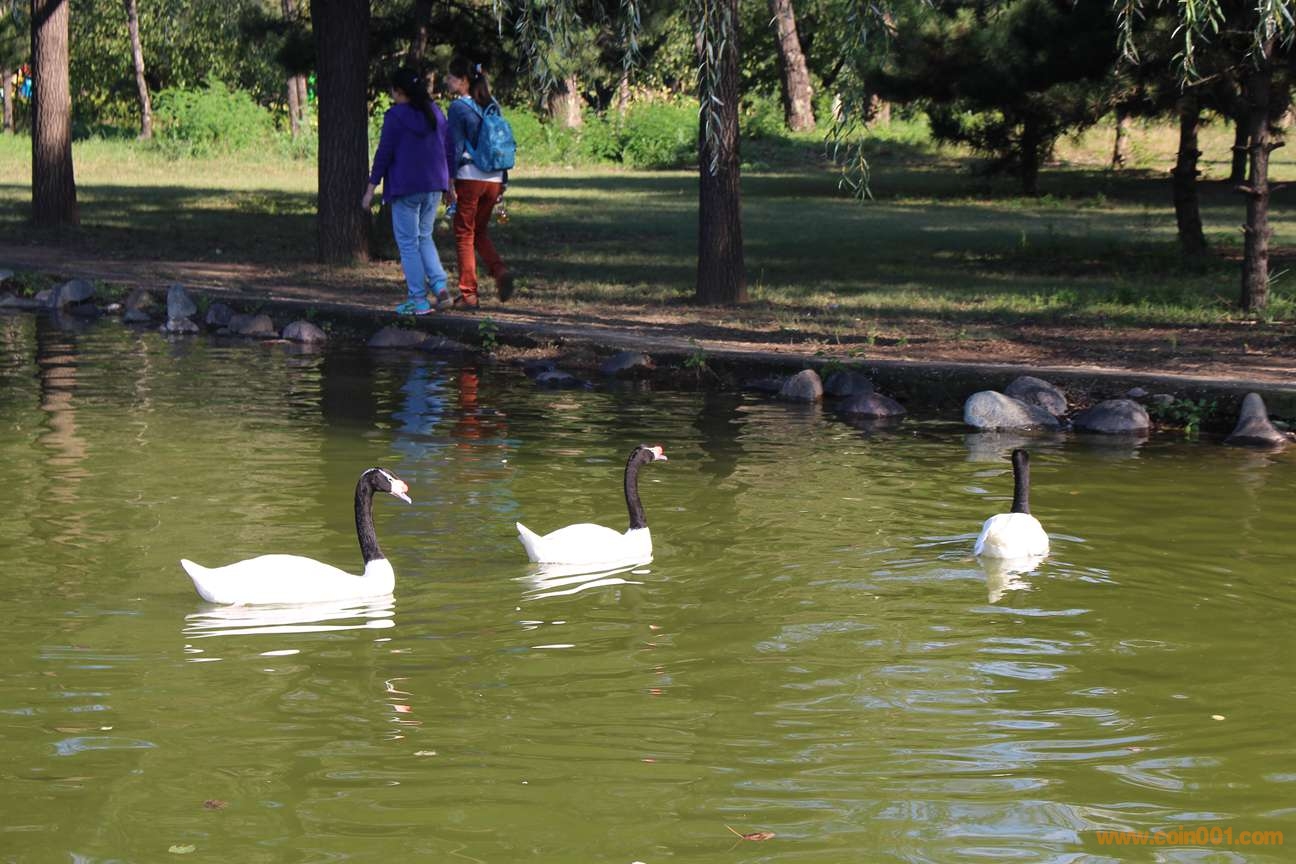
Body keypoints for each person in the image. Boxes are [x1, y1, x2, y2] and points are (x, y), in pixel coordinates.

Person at [362, 67, 455, 316]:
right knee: (424, 237)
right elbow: (449, 148)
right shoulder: (435, 112)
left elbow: (384, 153)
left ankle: (418, 300)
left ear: (399, 91)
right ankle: (440, 287)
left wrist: (371, 188)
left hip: (406, 187)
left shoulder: (395, 116)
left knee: (408, 244)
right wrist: (450, 184)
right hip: (434, 185)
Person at [444, 56, 514, 309]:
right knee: (479, 231)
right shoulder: (492, 104)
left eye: (450, 77)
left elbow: (455, 146)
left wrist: (448, 180)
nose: (446, 80)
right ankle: (499, 270)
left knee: (464, 233)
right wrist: (503, 179)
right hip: (494, 178)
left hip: (469, 177)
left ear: (463, 80)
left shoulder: (458, 108)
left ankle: (469, 295)